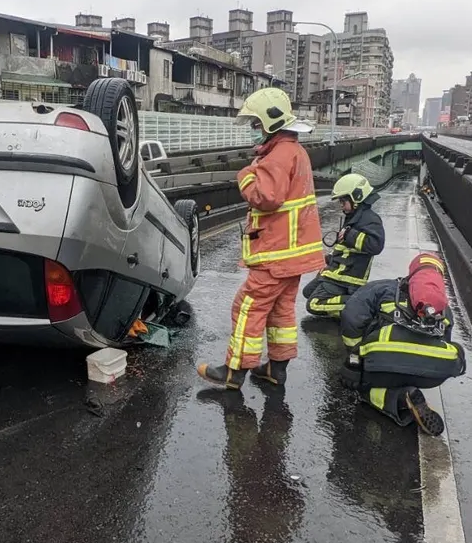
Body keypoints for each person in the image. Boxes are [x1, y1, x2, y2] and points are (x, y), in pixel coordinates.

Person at [197, 87, 323, 390]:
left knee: (247, 307)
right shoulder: (295, 151)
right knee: (281, 311)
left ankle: (233, 371)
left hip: (276, 253)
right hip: (293, 255)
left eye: (257, 124)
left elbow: (266, 197)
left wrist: (246, 176)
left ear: (270, 122)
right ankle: (275, 370)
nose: (254, 130)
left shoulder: (278, 156)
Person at [339, 251, 465, 435]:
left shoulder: (383, 287)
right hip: (433, 373)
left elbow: (352, 316)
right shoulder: (443, 306)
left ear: (412, 272)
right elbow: (445, 339)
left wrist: (355, 355)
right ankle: (409, 385)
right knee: (404, 370)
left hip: (383, 361)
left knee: (358, 383)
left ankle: (399, 397)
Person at [303, 173, 385, 318]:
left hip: (346, 280)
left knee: (314, 304)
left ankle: (361, 304)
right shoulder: (355, 217)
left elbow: (376, 245)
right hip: (337, 273)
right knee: (307, 292)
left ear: (356, 198)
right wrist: (328, 260)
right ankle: (343, 308)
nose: (341, 205)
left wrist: (349, 235)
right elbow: (346, 250)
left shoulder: (370, 219)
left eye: (343, 201)